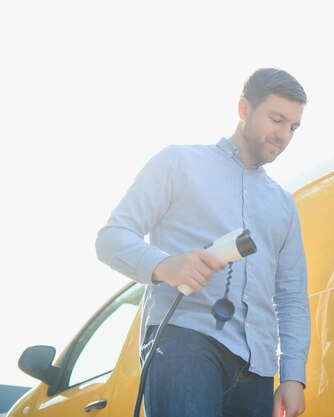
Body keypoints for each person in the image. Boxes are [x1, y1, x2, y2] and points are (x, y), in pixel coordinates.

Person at [95, 68, 311, 417]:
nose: (284, 135)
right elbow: (111, 237)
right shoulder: (178, 162)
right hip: (184, 342)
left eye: (293, 127)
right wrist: (166, 265)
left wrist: (293, 375)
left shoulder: (284, 205)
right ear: (243, 109)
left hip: (257, 367)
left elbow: (290, 293)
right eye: (276, 119)